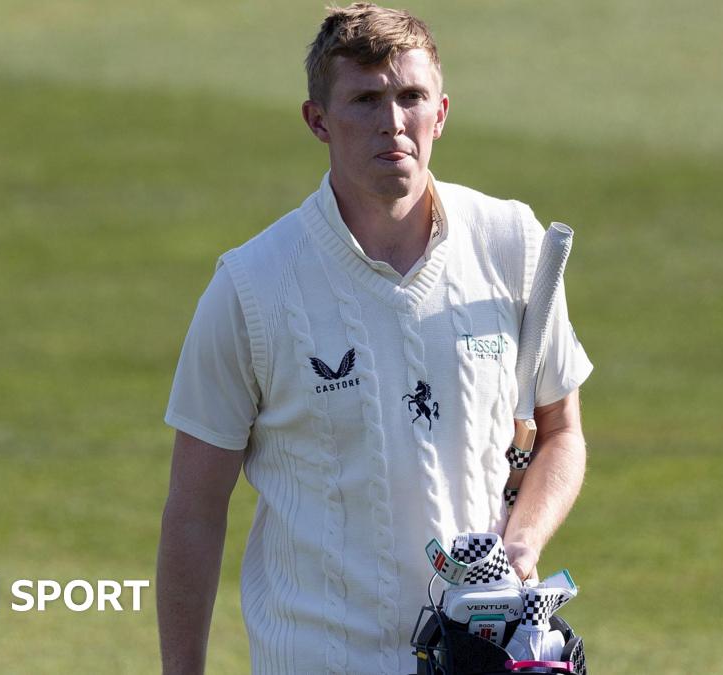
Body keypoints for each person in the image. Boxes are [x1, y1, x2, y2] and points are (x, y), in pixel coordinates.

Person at [156, 3, 592, 673]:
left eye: (410, 96)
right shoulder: (253, 287)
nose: (393, 122)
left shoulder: (512, 244)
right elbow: (194, 508)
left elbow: (560, 431)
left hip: (482, 656)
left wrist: (522, 548)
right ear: (318, 121)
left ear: (441, 112)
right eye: (365, 99)